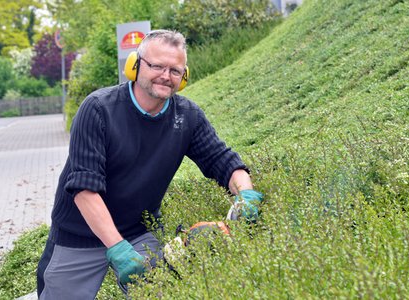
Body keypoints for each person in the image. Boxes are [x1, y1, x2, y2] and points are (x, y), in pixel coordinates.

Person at [36, 29, 264, 299]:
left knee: (159, 293)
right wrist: (117, 248)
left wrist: (246, 194)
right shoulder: (98, 109)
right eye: (157, 66)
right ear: (134, 65)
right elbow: (85, 189)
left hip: (138, 231)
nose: (166, 76)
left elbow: (222, 160)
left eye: (175, 70)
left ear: (184, 77)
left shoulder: (188, 117)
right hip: (79, 234)